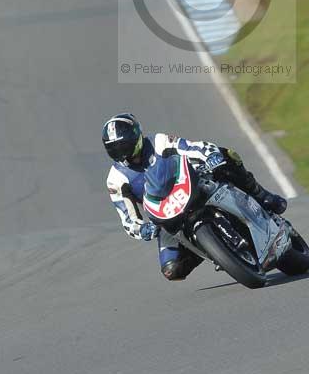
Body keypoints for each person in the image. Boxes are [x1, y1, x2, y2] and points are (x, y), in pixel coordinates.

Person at [102, 112, 287, 281]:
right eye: (114, 149)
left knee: (226, 155)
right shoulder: (115, 179)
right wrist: (143, 229)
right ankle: (211, 251)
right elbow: (128, 219)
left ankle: (260, 194)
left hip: (190, 184)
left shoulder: (158, 142)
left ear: (136, 137)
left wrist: (209, 155)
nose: (122, 152)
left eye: (124, 145)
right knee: (171, 271)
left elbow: (190, 147)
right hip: (164, 216)